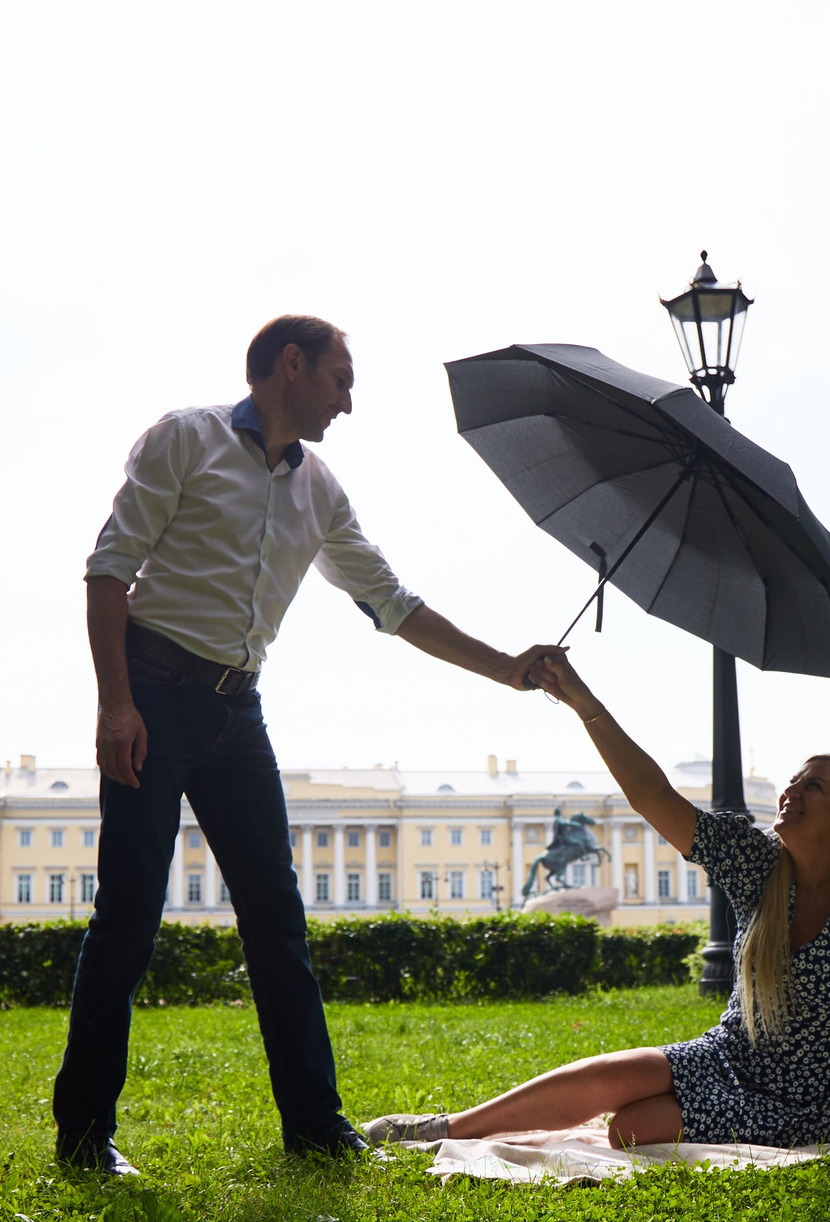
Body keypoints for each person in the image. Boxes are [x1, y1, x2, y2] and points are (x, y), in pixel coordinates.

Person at [57, 315, 553, 1174]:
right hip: (154, 691)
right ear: (292, 364)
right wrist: (116, 706)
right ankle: (84, 1135)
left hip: (236, 712)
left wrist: (507, 668)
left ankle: (317, 1127)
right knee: (129, 916)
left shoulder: (319, 488)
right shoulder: (186, 438)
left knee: (278, 920)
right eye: (339, 379)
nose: (347, 402)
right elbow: (109, 570)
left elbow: (393, 604)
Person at [365, 652, 830, 1149]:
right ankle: (443, 1127)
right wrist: (581, 701)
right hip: (723, 1055)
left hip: (798, 1106)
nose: (791, 792)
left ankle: (492, 1125)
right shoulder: (758, 864)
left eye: (814, 786)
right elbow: (653, 796)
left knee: (628, 1128)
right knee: (612, 1074)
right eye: (792, 780)